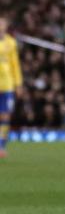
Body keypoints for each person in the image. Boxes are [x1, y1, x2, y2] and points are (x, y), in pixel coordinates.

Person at [0, 15, 23, 159]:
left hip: (7, 84)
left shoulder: (11, 43)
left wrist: (18, 84)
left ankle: (1, 146)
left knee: (5, 115)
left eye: (2, 23)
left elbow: (15, 64)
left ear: (6, 25)